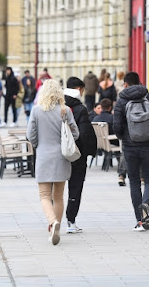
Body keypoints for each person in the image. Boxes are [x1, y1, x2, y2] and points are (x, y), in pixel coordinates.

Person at [27, 79, 79, 245]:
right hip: (62, 157)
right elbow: (76, 134)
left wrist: (38, 145)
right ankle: (56, 225)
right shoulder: (66, 110)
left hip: (43, 156)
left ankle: (52, 222)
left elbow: (31, 135)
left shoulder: (36, 110)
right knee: (58, 196)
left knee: (44, 195)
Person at [113, 72, 149, 231]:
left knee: (134, 182)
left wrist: (125, 138)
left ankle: (140, 221)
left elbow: (116, 126)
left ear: (126, 84)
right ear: (140, 81)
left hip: (130, 147)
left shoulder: (122, 100)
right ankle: (146, 204)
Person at [64, 77, 97, 234]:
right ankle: (71, 221)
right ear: (78, 89)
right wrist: (90, 151)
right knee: (75, 187)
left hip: (59, 153)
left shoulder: (57, 106)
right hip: (76, 154)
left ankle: (53, 219)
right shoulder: (80, 109)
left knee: (56, 190)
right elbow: (85, 133)